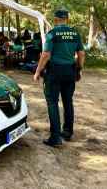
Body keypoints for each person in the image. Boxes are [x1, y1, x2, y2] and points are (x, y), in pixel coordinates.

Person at [33, 9, 85, 147]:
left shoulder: (53, 33)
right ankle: (67, 132)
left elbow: (46, 54)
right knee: (68, 101)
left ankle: (55, 138)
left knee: (52, 102)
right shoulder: (75, 33)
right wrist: (79, 70)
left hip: (54, 72)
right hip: (70, 71)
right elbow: (81, 53)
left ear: (55, 19)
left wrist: (38, 71)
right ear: (67, 19)